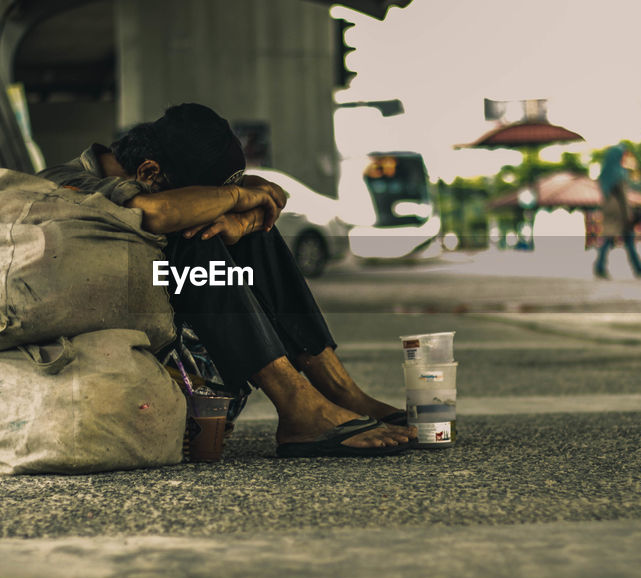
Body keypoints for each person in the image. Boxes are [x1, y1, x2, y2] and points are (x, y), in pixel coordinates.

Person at [37, 103, 415, 457]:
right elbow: (159, 213)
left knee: (248, 231)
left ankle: (338, 389)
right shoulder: (65, 184)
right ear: (149, 172)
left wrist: (245, 220)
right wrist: (233, 198)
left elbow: (269, 192)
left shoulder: (148, 172)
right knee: (194, 236)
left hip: (175, 337)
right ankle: (298, 404)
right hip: (110, 337)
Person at [593, 145, 641, 279]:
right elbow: (624, 197)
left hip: (608, 209)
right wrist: (628, 213)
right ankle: (638, 268)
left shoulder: (604, 174)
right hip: (619, 211)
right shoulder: (619, 173)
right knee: (624, 237)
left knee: (613, 237)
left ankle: (601, 266)